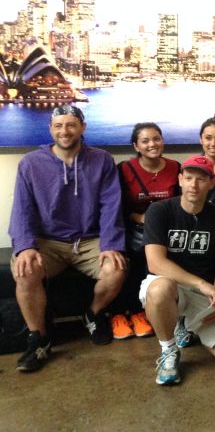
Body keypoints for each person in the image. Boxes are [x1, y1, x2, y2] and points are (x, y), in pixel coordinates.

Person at [9, 105, 127, 372]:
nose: (65, 131)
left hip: (89, 239)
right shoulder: (30, 163)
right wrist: (25, 245)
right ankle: (38, 337)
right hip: (47, 241)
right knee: (26, 271)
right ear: (51, 129)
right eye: (59, 125)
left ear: (82, 128)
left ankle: (93, 314)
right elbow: (22, 209)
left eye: (71, 124)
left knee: (116, 270)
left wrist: (110, 245)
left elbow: (111, 205)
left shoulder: (102, 160)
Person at [140, 155, 215, 386]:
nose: (193, 185)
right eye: (188, 178)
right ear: (180, 179)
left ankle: (187, 324)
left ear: (212, 183)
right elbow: (155, 263)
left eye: (201, 179)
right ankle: (169, 350)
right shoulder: (159, 211)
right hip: (171, 288)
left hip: (204, 293)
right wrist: (200, 283)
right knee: (160, 289)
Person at [113, 122, 180, 340]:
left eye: (157, 138)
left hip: (167, 230)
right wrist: (144, 219)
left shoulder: (176, 167)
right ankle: (131, 313)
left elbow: (181, 204)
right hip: (136, 229)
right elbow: (119, 207)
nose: (152, 144)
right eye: (145, 141)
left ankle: (160, 312)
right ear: (136, 146)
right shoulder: (125, 169)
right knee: (135, 259)